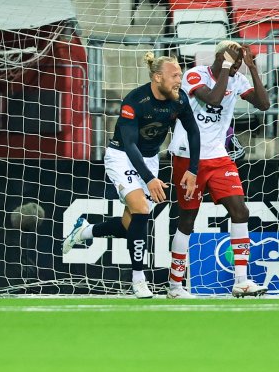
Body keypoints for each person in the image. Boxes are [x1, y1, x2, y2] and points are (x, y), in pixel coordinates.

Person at [64, 53, 200, 298]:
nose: (179, 79)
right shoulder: (135, 100)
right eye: (175, 75)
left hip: (150, 159)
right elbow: (129, 144)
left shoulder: (179, 100)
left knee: (132, 225)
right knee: (141, 210)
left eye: (180, 74)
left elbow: (193, 132)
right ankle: (138, 280)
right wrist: (149, 178)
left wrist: (193, 169)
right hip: (122, 156)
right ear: (158, 77)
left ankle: (85, 231)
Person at [164, 40, 271, 298]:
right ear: (221, 58)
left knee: (240, 210)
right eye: (233, 63)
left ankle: (242, 281)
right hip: (188, 156)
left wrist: (252, 69)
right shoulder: (194, 74)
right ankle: (175, 286)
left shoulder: (236, 78)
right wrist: (225, 66)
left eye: (237, 65)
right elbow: (212, 100)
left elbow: (264, 105)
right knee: (187, 220)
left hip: (218, 156)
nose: (236, 69)